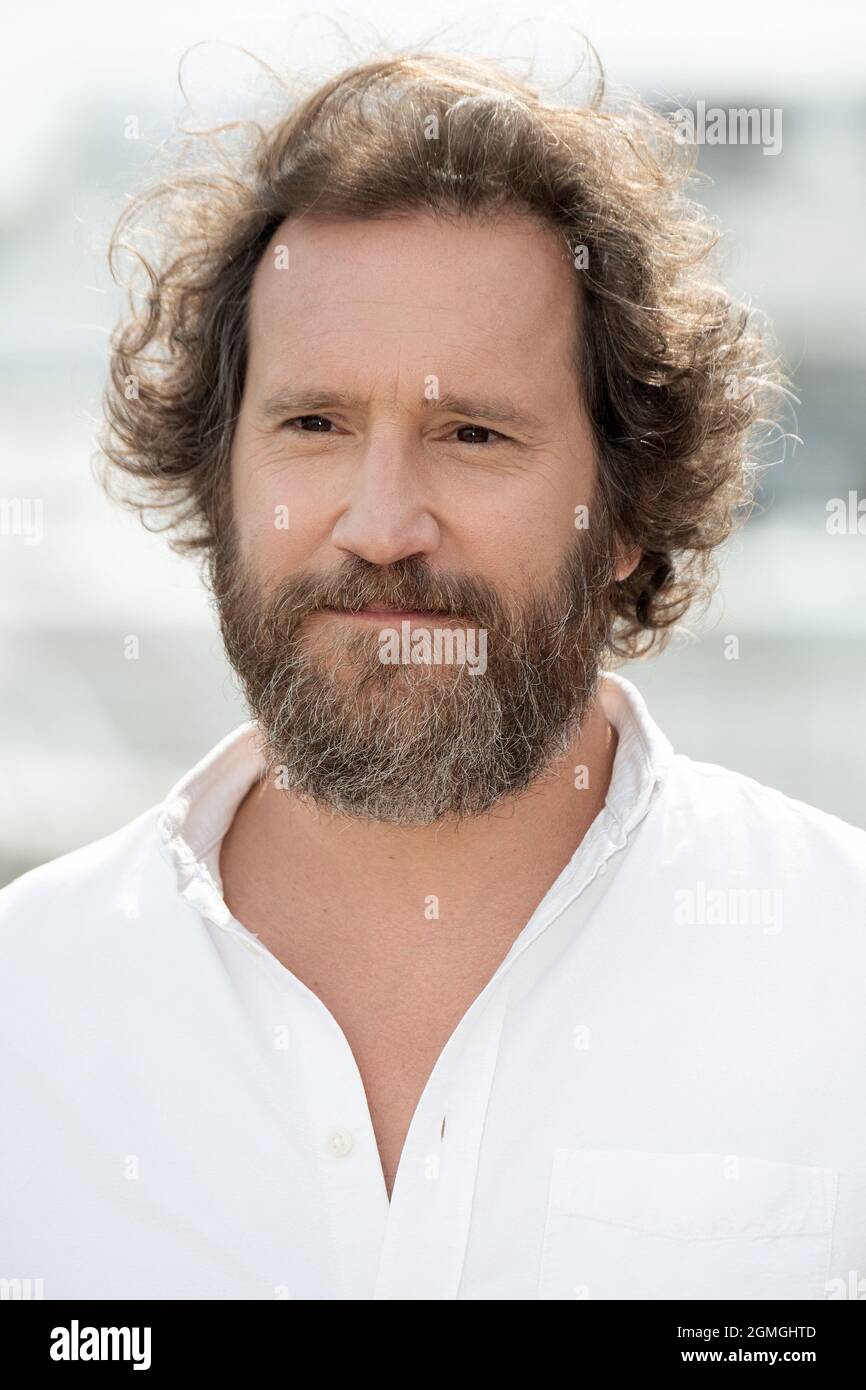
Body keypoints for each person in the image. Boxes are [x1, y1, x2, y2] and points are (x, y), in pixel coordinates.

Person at [2, 49, 864, 1302]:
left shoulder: (839, 969)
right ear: (218, 479)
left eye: (472, 434)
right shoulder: (28, 1003)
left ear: (625, 508)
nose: (382, 523)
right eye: (314, 425)